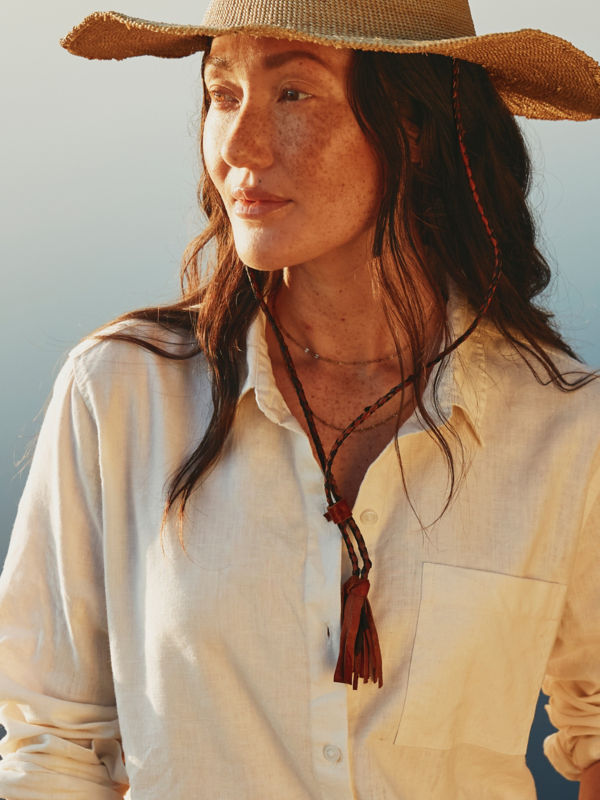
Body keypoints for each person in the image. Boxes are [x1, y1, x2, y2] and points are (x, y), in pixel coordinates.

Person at [0, 0, 599, 797]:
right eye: (223, 94)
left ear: (416, 130)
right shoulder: (121, 393)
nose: (239, 147)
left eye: (293, 95)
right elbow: (55, 747)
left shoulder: (565, 427)